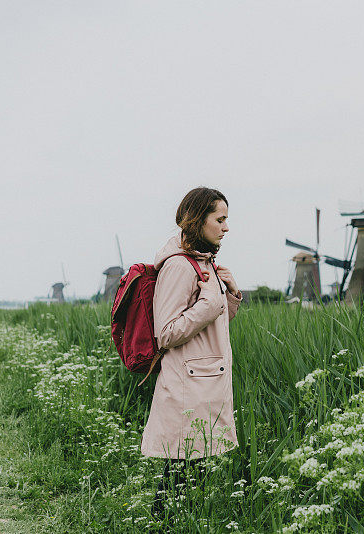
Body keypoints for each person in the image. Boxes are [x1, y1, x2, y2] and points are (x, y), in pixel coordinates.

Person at [141, 187, 243, 519]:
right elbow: (166, 333)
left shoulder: (205, 264)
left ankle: (176, 525)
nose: (226, 227)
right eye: (220, 218)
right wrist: (210, 303)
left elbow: (212, 324)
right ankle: (161, 526)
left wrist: (230, 296)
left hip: (204, 384)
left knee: (191, 475)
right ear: (198, 220)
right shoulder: (178, 267)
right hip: (188, 387)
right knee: (178, 474)